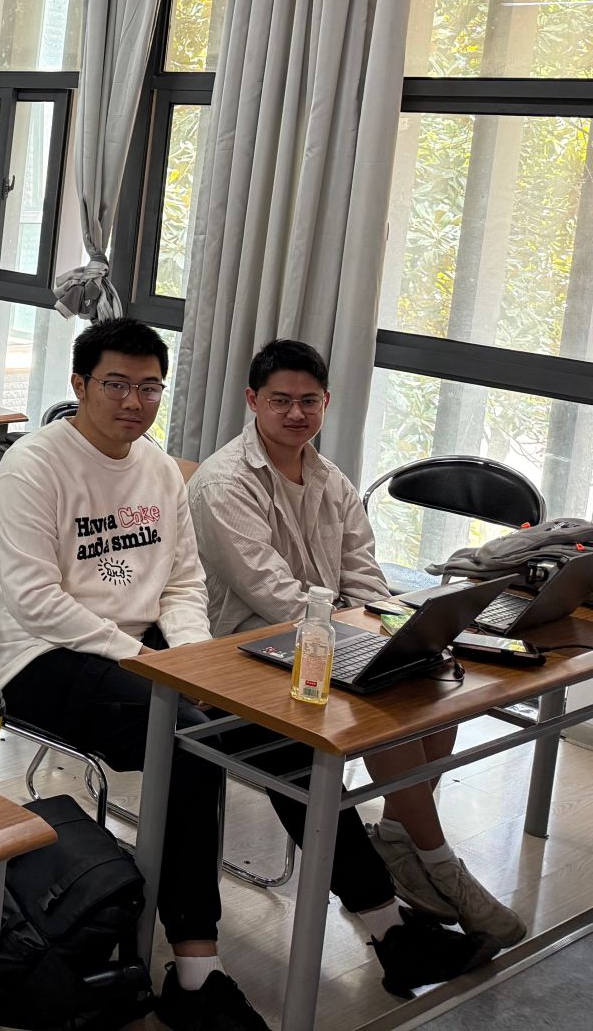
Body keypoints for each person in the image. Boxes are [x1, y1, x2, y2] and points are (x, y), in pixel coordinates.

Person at [0, 320, 488, 1031]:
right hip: (42, 656)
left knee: (286, 734)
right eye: (115, 384)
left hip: (151, 650)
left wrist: (196, 660)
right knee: (190, 747)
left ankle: (388, 928)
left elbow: (183, 583)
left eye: (148, 387)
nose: (132, 401)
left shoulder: (159, 467)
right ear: (79, 385)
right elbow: (35, 599)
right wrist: (154, 665)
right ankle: (195, 974)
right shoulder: (34, 464)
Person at [191, 339, 525, 950]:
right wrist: (356, 633)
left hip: (328, 637)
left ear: (326, 401)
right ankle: (441, 863)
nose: (296, 413)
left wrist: (384, 631)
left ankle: (397, 838)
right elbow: (271, 595)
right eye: (281, 401)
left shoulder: (330, 478)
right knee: (382, 712)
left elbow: (365, 576)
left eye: (309, 401)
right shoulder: (224, 483)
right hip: (247, 651)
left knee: (437, 686)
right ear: (253, 402)